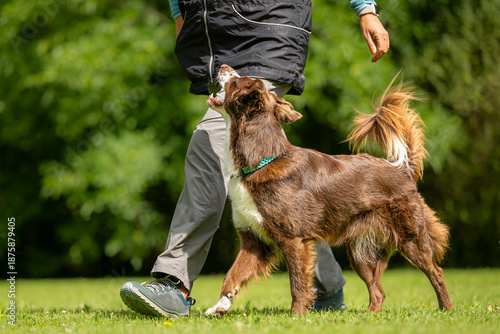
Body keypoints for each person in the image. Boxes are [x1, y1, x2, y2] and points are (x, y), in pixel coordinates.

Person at [120, 0, 389, 318]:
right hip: (216, 38)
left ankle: (173, 283)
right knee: (285, 189)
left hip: (267, 27)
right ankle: (325, 286)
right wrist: (182, 14)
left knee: (209, 146)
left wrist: (364, 8)